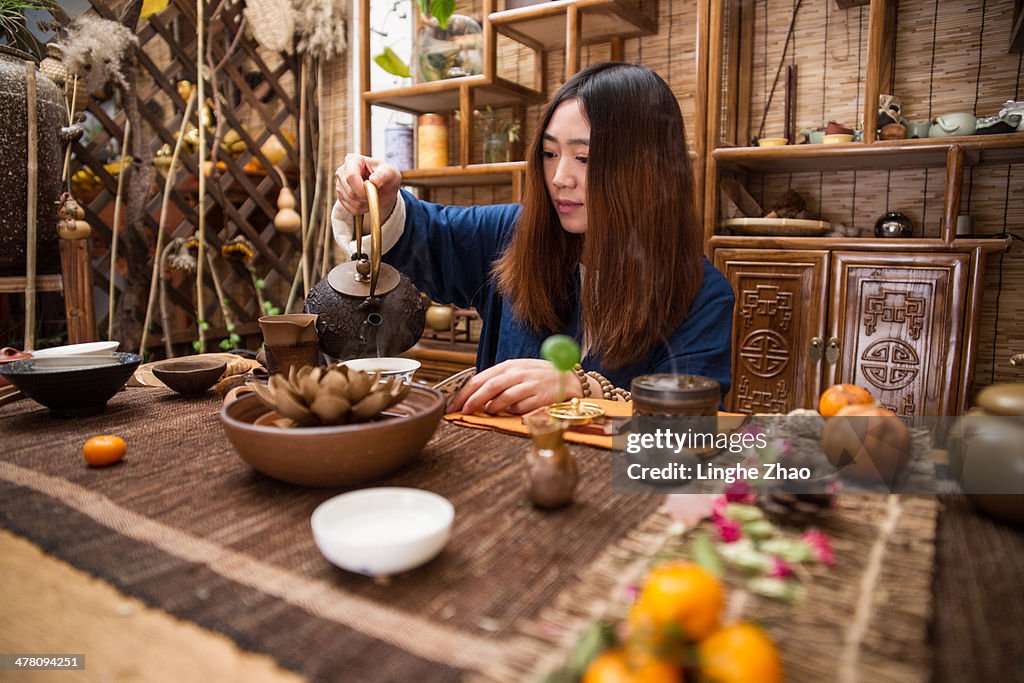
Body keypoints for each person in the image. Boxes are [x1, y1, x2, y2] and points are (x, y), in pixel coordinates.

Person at [333, 62, 734, 416]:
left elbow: (691, 432)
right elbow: (426, 231)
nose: (560, 178)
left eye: (584, 158)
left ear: (649, 170)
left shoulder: (701, 293)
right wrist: (380, 201)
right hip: (495, 477)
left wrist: (585, 388)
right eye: (548, 153)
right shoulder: (513, 235)